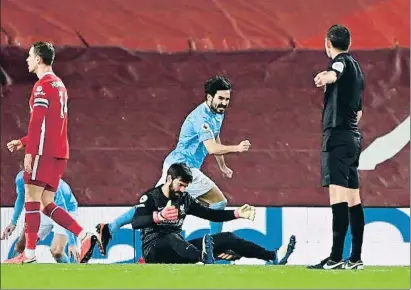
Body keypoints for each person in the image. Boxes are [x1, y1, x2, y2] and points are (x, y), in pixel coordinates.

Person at [4, 41, 97, 264]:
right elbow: (54, 124)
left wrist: (30, 150)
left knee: (31, 198)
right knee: (46, 203)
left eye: (29, 56)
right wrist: (23, 141)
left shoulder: (41, 86)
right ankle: (85, 235)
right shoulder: (59, 85)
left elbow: (37, 122)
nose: (26, 60)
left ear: (38, 59)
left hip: (43, 151)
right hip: (59, 152)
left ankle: (29, 255)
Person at [99, 162, 296, 264]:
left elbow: (211, 215)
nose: (183, 189)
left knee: (227, 237)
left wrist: (237, 213)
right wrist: (158, 217)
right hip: (154, 250)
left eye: (186, 186)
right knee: (171, 238)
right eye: (180, 184)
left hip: (179, 248)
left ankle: (271, 256)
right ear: (169, 179)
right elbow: (136, 222)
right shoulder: (151, 197)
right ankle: (206, 258)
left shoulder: (185, 199)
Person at [156, 75, 251, 235]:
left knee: (152, 204)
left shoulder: (217, 113)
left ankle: (110, 228)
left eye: (227, 99)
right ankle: (214, 246)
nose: (224, 103)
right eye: (220, 98)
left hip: (175, 165)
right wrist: (237, 148)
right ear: (209, 97)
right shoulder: (202, 117)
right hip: (184, 168)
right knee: (219, 202)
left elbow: (215, 137)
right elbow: (212, 148)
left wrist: (222, 166)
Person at [308, 25, 365, 270]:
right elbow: (360, 111)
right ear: (349, 43)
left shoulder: (341, 63)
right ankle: (355, 258)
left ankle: (335, 257)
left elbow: (335, 71)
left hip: (338, 137)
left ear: (327, 43)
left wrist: (326, 76)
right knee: (354, 197)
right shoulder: (358, 70)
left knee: (338, 196)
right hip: (352, 137)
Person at [2, 171, 80, 263]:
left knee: (57, 251)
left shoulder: (54, 186)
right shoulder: (21, 178)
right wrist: (13, 222)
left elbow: (64, 217)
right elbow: (21, 198)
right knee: (21, 245)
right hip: (44, 208)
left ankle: (69, 274)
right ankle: (11, 272)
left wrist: (72, 243)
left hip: (65, 210)